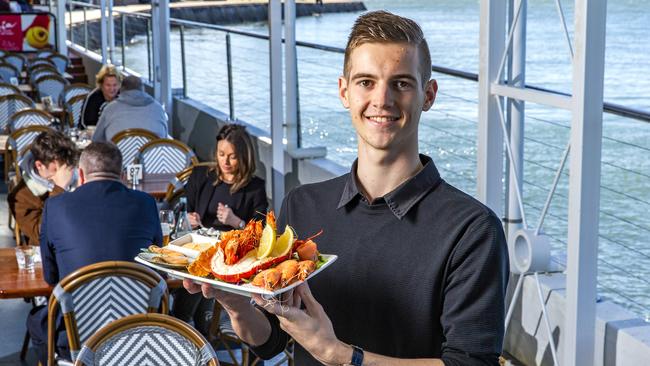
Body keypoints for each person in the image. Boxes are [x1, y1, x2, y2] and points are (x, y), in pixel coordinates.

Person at [185, 10, 509, 365]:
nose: (382, 99)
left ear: (428, 95)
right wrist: (235, 303)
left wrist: (338, 355)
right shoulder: (302, 206)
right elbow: (272, 339)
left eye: (401, 83)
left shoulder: (472, 230)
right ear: (344, 91)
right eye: (366, 82)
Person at [27, 142, 163, 364]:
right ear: (121, 174)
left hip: (77, 335)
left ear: (80, 174)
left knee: (36, 321)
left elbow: (50, 277)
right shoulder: (146, 203)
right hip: (139, 337)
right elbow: (159, 270)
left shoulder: (55, 206)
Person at [172, 123, 268, 336]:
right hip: (197, 251)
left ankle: (193, 329)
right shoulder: (201, 176)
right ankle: (200, 329)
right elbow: (182, 207)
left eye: (232, 156)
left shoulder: (255, 188)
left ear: (244, 157)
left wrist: (237, 222)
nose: (225, 161)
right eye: (221, 154)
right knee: (198, 283)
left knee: (197, 287)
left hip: (230, 260)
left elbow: (260, 233)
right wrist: (189, 218)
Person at [7, 130, 78, 245]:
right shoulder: (22, 196)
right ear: (39, 166)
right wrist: (59, 189)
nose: (63, 174)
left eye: (67, 167)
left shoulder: (78, 177)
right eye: (56, 169)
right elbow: (39, 236)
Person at [92, 75, 168, 142]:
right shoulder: (158, 108)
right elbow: (164, 138)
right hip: (152, 156)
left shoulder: (110, 109)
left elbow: (96, 140)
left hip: (118, 157)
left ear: (121, 90)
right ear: (143, 89)